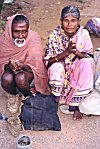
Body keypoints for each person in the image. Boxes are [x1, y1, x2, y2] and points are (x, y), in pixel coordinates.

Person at [44, 5, 95, 120]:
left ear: (78, 21)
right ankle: (57, 98)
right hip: (60, 73)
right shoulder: (54, 35)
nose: (69, 24)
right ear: (61, 21)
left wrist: (76, 52)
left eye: (73, 21)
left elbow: (89, 56)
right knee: (56, 67)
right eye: (66, 21)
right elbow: (48, 62)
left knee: (87, 63)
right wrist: (66, 53)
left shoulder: (83, 34)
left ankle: (74, 104)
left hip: (75, 74)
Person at [0, 14, 49, 114]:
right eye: (16, 32)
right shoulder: (4, 40)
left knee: (20, 78)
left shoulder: (33, 38)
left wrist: (22, 66)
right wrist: (9, 66)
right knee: (6, 78)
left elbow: (37, 65)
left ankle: (27, 95)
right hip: (11, 72)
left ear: (28, 30)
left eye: (24, 31)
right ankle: (13, 95)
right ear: (10, 30)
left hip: (29, 75)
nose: (21, 36)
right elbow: (1, 63)